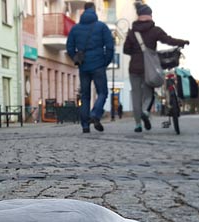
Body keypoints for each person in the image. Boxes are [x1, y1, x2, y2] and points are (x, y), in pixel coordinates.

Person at [123, 3, 188, 133]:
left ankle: (138, 125)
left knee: (136, 95)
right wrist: (182, 42)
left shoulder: (132, 32)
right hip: (149, 68)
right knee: (148, 93)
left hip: (134, 68)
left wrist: (136, 54)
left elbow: (126, 49)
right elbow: (168, 40)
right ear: (150, 16)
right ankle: (145, 111)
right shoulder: (155, 30)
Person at [67, 3, 114, 134]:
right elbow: (110, 46)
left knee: (85, 96)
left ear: (83, 11)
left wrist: (76, 58)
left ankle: (85, 126)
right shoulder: (102, 27)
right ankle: (95, 114)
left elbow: (70, 47)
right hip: (99, 64)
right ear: (94, 11)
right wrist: (105, 61)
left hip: (83, 66)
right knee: (102, 92)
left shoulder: (75, 29)